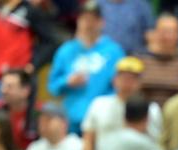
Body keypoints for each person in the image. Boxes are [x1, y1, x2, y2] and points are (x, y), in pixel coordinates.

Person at [47, 0, 125, 134]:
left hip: (102, 122)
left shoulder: (114, 51)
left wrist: (104, 105)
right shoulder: (66, 50)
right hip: (70, 121)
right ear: (78, 21)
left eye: (93, 20)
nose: (89, 24)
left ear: (102, 22)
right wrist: (67, 81)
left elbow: (120, 87)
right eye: (85, 19)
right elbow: (53, 87)